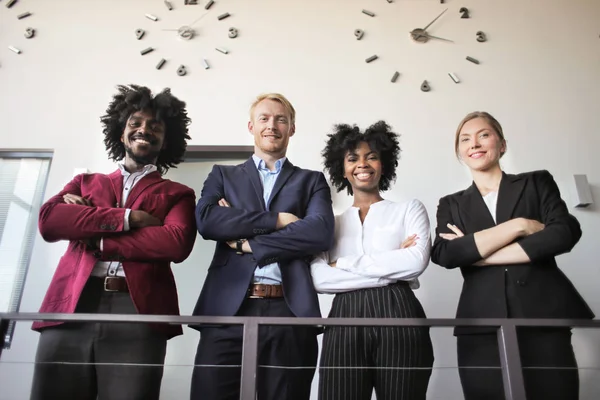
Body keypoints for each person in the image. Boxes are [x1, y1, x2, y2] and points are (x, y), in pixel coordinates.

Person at [30, 84, 197, 400]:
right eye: (135, 123)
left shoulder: (178, 194)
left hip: (139, 313)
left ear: (166, 139)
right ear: (121, 133)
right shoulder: (85, 182)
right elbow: (50, 221)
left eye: (155, 126)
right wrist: (129, 219)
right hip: (70, 306)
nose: (144, 130)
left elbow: (175, 243)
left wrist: (96, 239)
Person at [431, 111, 594, 400]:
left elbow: (563, 233)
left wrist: (478, 253)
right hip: (480, 322)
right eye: (465, 139)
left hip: (542, 314)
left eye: (484, 135)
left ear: (502, 144)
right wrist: (519, 225)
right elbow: (445, 253)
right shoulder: (451, 204)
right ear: (459, 152)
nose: (474, 143)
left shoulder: (536, 182)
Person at [190, 93, 335, 400]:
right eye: (265, 119)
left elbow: (319, 233)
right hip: (226, 309)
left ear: (292, 128)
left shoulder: (312, 181)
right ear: (251, 126)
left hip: (290, 309)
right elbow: (207, 222)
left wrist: (246, 244)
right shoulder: (223, 174)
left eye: (281, 119)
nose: (273, 126)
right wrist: (278, 220)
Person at [311, 121, 434, 400]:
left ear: (384, 163)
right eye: (352, 158)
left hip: (399, 313)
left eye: (372, 156)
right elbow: (318, 278)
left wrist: (340, 264)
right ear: (341, 168)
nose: (362, 164)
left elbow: (415, 262)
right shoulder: (330, 223)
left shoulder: (408, 209)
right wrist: (394, 265)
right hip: (344, 318)